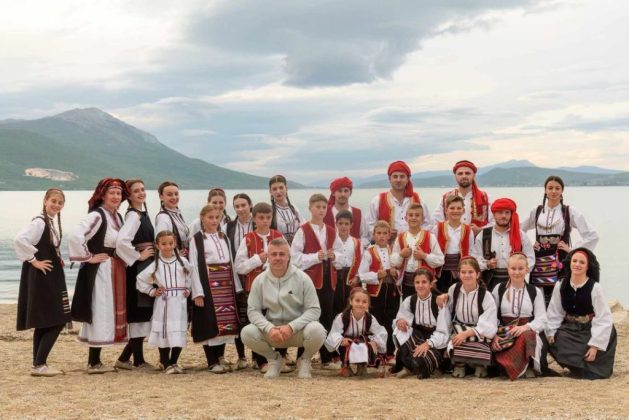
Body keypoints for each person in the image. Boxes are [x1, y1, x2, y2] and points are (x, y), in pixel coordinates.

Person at [241, 238, 327, 379]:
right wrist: (269, 328)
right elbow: (253, 310)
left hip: (298, 331)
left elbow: (314, 310)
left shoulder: (303, 278)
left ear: (289, 256)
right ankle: (275, 360)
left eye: (282, 254)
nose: (278, 258)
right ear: (268, 257)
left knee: (318, 330)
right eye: (274, 254)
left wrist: (291, 327)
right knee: (247, 333)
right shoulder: (260, 280)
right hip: (273, 332)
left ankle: (304, 360)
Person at [70, 178, 129, 374]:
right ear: (102, 195)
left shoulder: (117, 217)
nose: (116, 197)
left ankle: (95, 361)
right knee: (100, 310)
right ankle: (93, 362)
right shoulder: (97, 215)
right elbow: (77, 235)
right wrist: (89, 257)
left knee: (106, 311)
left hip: (114, 268)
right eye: (112, 193)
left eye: (118, 193)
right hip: (101, 270)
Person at [15, 188, 70, 377]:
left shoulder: (50, 222)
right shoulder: (39, 222)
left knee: (44, 321)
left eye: (60, 203)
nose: (56, 205)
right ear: (45, 200)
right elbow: (20, 239)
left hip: (49, 276)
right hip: (43, 276)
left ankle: (38, 365)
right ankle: (40, 364)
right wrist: (34, 260)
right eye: (53, 201)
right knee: (58, 319)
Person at [521, 176, 599, 305]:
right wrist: (529, 246)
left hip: (561, 259)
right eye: (550, 188)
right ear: (545, 190)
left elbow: (592, 235)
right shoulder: (537, 211)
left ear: (562, 190)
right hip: (539, 260)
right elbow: (518, 230)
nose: (553, 191)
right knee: (538, 296)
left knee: (560, 293)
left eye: (557, 188)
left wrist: (573, 251)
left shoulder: (569, 211)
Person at [545, 248, 617, 379]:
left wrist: (595, 346)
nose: (577, 264)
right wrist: (551, 332)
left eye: (582, 262)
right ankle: (575, 364)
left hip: (590, 328)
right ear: (570, 263)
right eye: (574, 261)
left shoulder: (595, 288)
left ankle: (582, 366)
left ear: (588, 266)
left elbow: (603, 318)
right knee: (555, 339)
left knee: (592, 352)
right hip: (570, 329)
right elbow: (555, 312)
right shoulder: (561, 284)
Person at [291, 193, 343, 369]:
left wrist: (335, 256)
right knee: (307, 317)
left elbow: (342, 256)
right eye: (317, 207)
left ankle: (326, 358)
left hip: (328, 280)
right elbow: (295, 258)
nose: (321, 210)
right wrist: (315, 257)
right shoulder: (303, 230)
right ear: (310, 208)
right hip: (309, 281)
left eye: (323, 207)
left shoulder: (331, 231)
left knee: (327, 317)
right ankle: (301, 357)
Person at [189, 204, 242, 373]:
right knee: (209, 321)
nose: (213, 221)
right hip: (208, 285)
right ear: (202, 218)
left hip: (226, 285)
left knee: (225, 322)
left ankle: (220, 357)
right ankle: (211, 361)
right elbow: (193, 266)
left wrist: (236, 286)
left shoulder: (223, 237)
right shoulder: (196, 239)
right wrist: (197, 292)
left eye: (217, 217)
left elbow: (231, 262)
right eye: (210, 217)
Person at [234, 202, 285, 371]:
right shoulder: (248, 239)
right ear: (254, 219)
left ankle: (279, 356)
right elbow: (239, 267)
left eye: (268, 217)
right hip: (254, 288)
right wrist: (258, 259)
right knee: (258, 322)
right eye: (261, 217)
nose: (265, 221)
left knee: (278, 319)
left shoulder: (278, 237)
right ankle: (260, 360)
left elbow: (288, 259)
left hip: (277, 287)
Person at [136, 230, 192, 374]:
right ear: (157, 246)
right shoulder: (156, 264)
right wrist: (152, 291)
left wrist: (188, 289)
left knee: (178, 330)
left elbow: (190, 276)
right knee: (164, 332)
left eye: (171, 243)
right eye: (164, 244)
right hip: (164, 302)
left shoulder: (183, 262)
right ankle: (165, 363)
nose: (168, 246)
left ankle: (174, 362)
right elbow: (140, 279)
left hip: (179, 302)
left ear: (175, 243)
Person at [114, 179, 155, 370]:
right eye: (136, 191)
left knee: (144, 312)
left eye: (143, 189)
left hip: (145, 266)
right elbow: (122, 242)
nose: (141, 193)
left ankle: (124, 359)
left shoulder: (141, 213)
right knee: (139, 313)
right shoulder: (133, 216)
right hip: (138, 268)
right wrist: (138, 256)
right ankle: (138, 360)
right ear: (128, 195)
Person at [491, 253, 547, 380]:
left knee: (527, 335)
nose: (517, 272)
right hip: (504, 333)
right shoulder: (499, 289)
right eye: (513, 268)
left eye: (521, 268)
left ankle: (528, 366)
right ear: (508, 269)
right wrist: (494, 335)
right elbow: (491, 316)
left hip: (526, 331)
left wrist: (525, 327)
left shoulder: (535, 291)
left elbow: (542, 319)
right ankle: (509, 367)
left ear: (527, 269)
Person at [440, 257, 497, 378]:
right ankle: (460, 364)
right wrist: (441, 300)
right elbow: (447, 312)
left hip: (479, 331)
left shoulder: (486, 295)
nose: (467, 275)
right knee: (455, 338)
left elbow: (489, 324)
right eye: (463, 272)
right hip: (459, 327)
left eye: (470, 272)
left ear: (478, 274)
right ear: (459, 274)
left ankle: (479, 364)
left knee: (478, 338)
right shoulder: (453, 289)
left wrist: (466, 334)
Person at [391, 269, 447, 379]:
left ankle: (412, 365)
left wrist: (428, 344)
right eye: (417, 282)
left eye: (424, 282)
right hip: (418, 337)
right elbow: (401, 317)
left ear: (431, 284)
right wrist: (400, 322)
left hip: (435, 340)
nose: (420, 285)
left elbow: (443, 332)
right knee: (399, 334)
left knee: (421, 360)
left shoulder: (438, 302)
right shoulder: (410, 300)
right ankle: (410, 364)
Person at [357, 221, 399, 361]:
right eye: (379, 233)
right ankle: (377, 353)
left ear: (389, 235)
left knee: (390, 321)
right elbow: (362, 274)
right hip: (376, 293)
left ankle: (390, 353)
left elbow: (401, 269)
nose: (382, 236)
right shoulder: (368, 252)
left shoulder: (394, 251)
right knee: (376, 322)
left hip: (392, 290)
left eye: (385, 233)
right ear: (374, 235)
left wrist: (395, 273)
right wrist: (376, 275)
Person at [471, 198, 534, 290]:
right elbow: (474, 258)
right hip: (489, 281)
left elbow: (530, 258)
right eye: (500, 212)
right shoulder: (483, 234)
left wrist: (519, 270)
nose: (504, 216)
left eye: (507, 213)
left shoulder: (520, 235)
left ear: (511, 215)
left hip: (516, 281)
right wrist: (487, 264)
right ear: (494, 214)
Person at [324, 287, 388, 377]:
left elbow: (381, 332)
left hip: (362, 343)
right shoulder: (342, 317)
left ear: (368, 304)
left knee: (367, 343)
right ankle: (345, 366)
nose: (360, 304)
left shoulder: (370, 318)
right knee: (345, 344)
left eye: (364, 302)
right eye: (357, 301)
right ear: (351, 301)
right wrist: (341, 340)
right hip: (347, 345)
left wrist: (375, 341)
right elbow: (334, 333)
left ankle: (362, 366)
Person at [366, 160, 431, 242]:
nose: (398, 180)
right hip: (387, 248)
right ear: (389, 179)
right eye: (395, 176)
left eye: (402, 176)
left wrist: (415, 235)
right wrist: (384, 234)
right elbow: (369, 226)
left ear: (407, 179)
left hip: (414, 246)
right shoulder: (377, 201)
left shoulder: (418, 200)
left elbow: (427, 224)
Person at [225, 192, 255, 369]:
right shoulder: (229, 227)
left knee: (257, 314)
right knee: (239, 316)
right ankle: (241, 356)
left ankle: (258, 357)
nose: (241, 209)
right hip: (237, 276)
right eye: (237, 206)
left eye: (243, 205)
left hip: (256, 274)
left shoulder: (258, 222)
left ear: (250, 205)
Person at [391, 203, 444, 299]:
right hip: (407, 283)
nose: (413, 218)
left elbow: (440, 260)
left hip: (426, 283)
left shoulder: (430, 237)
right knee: (409, 305)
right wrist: (401, 255)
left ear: (423, 219)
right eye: (411, 215)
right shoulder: (400, 238)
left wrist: (424, 256)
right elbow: (393, 262)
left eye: (417, 215)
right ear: (406, 218)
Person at [432, 160, 493, 234]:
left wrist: (481, 230)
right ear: (455, 176)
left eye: (467, 173)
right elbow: (435, 223)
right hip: (451, 240)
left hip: (478, 240)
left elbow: (494, 222)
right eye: (460, 173)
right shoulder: (446, 198)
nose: (464, 176)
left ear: (474, 175)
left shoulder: (486, 198)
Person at [433, 195, 474, 293]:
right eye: (452, 208)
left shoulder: (468, 230)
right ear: (446, 210)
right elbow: (432, 252)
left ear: (463, 211)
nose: (455, 211)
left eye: (459, 208)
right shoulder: (437, 228)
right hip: (441, 273)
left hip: (461, 273)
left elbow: (471, 252)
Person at [323, 177, 370, 248]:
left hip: (354, 253)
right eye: (339, 191)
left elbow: (365, 237)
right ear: (333, 193)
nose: (343, 194)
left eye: (346, 191)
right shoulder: (325, 213)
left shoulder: (358, 214)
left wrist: (354, 246)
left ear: (350, 193)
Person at [332, 210, 363, 316]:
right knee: (335, 305)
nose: (343, 226)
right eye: (340, 223)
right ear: (336, 224)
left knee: (351, 305)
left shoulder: (357, 242)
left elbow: (361, 262)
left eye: (346, 224)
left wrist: (358, 277)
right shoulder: (332, 241)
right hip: (336, 276)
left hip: (351, 277)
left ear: (351, 225)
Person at [155, 181, 189, 256]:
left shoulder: (176, 213)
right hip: (174, 260)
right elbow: (162, 243)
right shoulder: (163, 218)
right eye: (169, 194)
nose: (174, 197)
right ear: (161, 197)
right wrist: (175, 255)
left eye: (176, 194)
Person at [268, 175, 303, 245]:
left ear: (286, 188)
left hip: (297, 247)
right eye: (274, 189)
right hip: (278, 248)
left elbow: (303, 228)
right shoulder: (269, 211)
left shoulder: (294, 209)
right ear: (270, 191)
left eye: (281, 188)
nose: (278, 191)